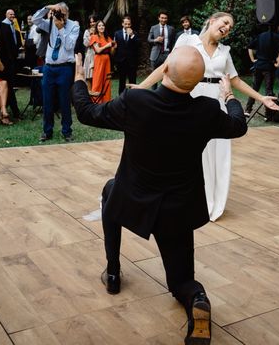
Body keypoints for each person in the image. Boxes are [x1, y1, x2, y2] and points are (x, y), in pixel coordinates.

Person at [72, 46, 248, 345]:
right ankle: (197, 299)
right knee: (181, 282)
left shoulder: (136, 101)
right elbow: (238, 125)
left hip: (132, 199)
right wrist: (229, 96)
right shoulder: (205, 110)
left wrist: (79, 78)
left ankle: (113, 272)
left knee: (110, 191)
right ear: (194, 83)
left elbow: (87, 113)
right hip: (177, 211)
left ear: (164, 70)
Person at [137, 12, 279, 221]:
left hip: (216, 104)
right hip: (192, 99)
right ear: (212, 21)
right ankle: (187, 200)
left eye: (230, 27)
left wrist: (261, 98)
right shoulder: (188, 42)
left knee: (218, 154)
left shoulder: (224, 51)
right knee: (191, 153)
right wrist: (141, 88)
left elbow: (236, 81)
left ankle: (213, 203)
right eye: (225, 22)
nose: (227, 28)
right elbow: (165, 67)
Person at [32, 2, 80, 142]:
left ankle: (67, 131)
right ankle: (47, 131)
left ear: (68, 14)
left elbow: (70, 45)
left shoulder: (74, 26)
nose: (61, 17)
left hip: (65, 68)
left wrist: (61, 29)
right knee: (47, 100)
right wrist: (47, 8)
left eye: (63, 14)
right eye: (59, 13)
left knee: (65, 101)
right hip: (49, 68)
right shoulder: (51, 22)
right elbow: (35, 20)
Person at [245, 24, 279, 116]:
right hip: (269, 67)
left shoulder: (260, 36)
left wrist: (252, 59)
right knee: (269, 90)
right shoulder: (277, 37)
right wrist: (278, 63)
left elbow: (250, 47)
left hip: (258, 65)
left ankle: (247, 110)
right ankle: (268, 114)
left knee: (254, 89)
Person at [147, 10, 175, 88]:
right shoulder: (153, 27)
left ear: (167, 19)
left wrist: (171, 53)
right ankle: (153, 95)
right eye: (162, 18)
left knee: (166, 77)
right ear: (158, 18)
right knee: (154, 77)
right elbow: (149, 39)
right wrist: (155, 40)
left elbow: (173, 42)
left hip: (167, 54)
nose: (163, 20)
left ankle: (163, 96)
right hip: (155, 55)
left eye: (165, 18)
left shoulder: (171, 29)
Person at [89, 20, 115, 103]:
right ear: (97, 27)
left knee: (106, 80)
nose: (101, 27)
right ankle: (96, 101)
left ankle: (106, 101)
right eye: (99, 26)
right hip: (99, 59)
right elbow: (98, 50)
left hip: (107, 60)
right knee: (98, 80)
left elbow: (112, 53)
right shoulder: (94, 37)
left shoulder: (107, 37)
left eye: (103, 25)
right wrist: (107, 45)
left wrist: (114, 47)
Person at [113, 15, 139, 94]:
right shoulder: (117, 33)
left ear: (130, 24)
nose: (127, 26)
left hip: (132, 62)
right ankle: (121, 98)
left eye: (129, 24)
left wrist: (132, 35)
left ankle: (133, 98)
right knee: (122, 81)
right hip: (121, 61)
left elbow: (138, 44)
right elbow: (115, 47)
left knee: (132, 81)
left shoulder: (134, 33)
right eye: (125, 24)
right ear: (122, 24)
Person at [82, 15, 98, 88]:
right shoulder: (87, 31)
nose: (92, 23)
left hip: (98, 55)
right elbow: (86, 44)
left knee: (97, 77)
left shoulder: (100, 30)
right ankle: (89, 96)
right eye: (91, 22)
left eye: (94, 21)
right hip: (89, 54)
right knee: (88, 76)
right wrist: (91, 35)